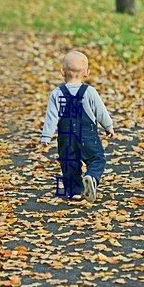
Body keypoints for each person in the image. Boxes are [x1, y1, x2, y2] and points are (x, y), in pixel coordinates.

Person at [41, 51, 114, 202]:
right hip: (87, 135)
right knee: (97, 159)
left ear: (62, 71)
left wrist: (46, 136)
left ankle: (75, 191)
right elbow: (100, 111)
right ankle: (91, 177)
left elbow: (51, 117)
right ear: (87, 73)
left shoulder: (57, 93)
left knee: (69, 164)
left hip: (66, 138)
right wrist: (108, 126)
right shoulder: (90, 92)